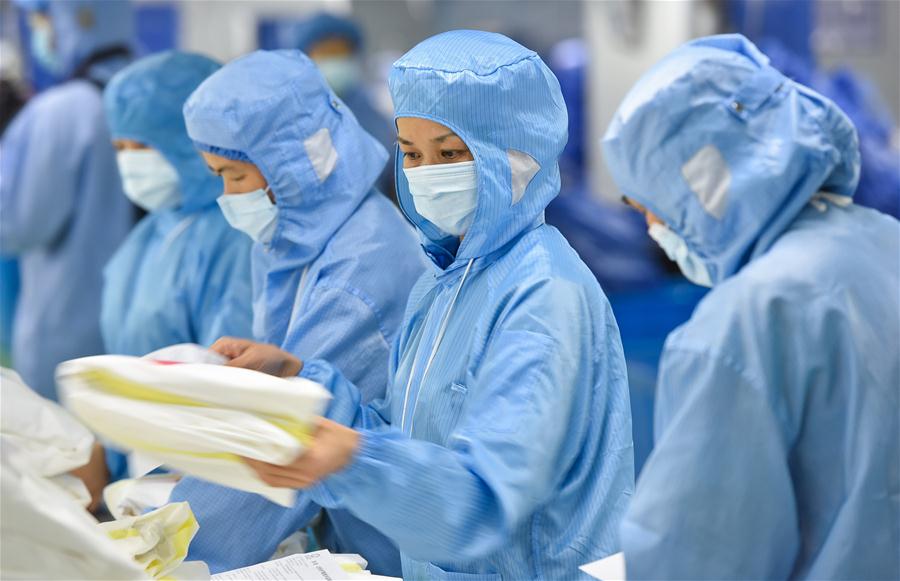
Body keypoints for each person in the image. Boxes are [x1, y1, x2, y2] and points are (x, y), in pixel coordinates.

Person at [235, 31, 635, 580]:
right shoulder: (447, 282)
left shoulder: (542, 297)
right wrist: (301, 384)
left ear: (518, 155)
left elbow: (485, 501)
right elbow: (407, 434)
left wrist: (354, 461)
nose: (425, 173)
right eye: (411, 153)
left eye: (450, 153)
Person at [602, 34, 899, 579]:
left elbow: (695, 560)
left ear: (701, 184)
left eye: (651, 208)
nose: (652, 229)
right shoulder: (887, 243)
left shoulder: (745, 322)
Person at [167, 49, 427, 575]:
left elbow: (289, 434)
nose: (227, 196)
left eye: (234, 176)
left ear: (293, 166)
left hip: (388, 543)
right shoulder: (295, 239)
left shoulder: (359, 271)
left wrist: (168, 545)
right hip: (344, 519)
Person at [97, 51, 255, 481]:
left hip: (198, 478)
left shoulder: (235, 238)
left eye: (144, 146)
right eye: (120, 147)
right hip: (140, 470)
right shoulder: (146, 236)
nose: (130, 161)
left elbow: (222, 383)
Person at [0, 0, 134, 400]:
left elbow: (18, 223)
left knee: (68, 454)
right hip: (145, 324)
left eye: (43, 20)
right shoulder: (150, 91)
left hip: (70, 334)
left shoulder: (63, 111)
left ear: (75, 20)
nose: (40, 33)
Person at [293, 12, 395, 199]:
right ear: (306, 57)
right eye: (326, 53)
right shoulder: (294, 115)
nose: (335, 60)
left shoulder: (373, 116)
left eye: (341, 53)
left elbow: (392, 176)